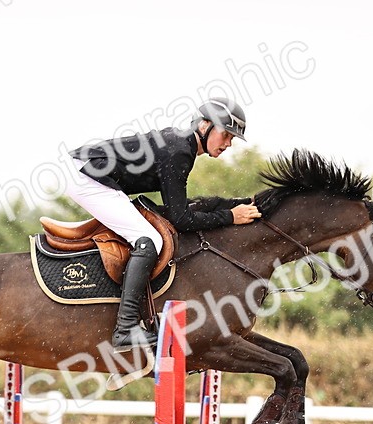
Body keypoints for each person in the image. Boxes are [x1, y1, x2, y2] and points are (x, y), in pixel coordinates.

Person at [65, 98, 261, 351]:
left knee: (147, 233)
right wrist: (230, 217)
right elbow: (181, 219)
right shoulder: (178, 151)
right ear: (204, 126)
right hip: (85, 176)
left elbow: (180, 208)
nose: (228, 143)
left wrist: (233, 204)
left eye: (232, 138)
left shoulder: (181, 146)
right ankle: (125, 329)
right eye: (226, 134)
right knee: (149, 241)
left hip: (89, 173)